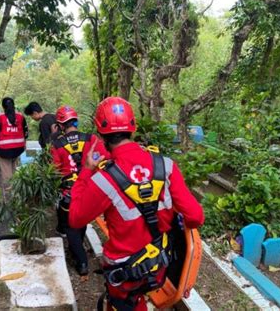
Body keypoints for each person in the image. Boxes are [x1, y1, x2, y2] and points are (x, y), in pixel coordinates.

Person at [69, 97, 204, 311]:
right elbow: (196, 217)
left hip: (125, 272)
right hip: (158, 264)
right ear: (133, 128)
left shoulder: (104, 179)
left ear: (101, 134)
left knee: (125, 303)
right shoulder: (165, 166)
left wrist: (86, 170)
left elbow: (75, 218)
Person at [50, 105, 109, 276]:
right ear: (75, 121)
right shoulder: (91, 139)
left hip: (69, 192)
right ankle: (79, 248)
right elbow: (103, 159)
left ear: (60, 125)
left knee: (70, 226)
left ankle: (81, 261)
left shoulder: (56, 144)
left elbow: (54, 169)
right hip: (90, 190)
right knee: (81, 221)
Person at [0, 97, 28, 190]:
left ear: (3, 106)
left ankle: (10, 187)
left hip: (4, 149)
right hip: (19, 148)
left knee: (6, 168)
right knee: (14, 165)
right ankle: (17, 184)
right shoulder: (21, 116)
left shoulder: (0, 117)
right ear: (13, 105)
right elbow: (25, 132)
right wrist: (24, 145)